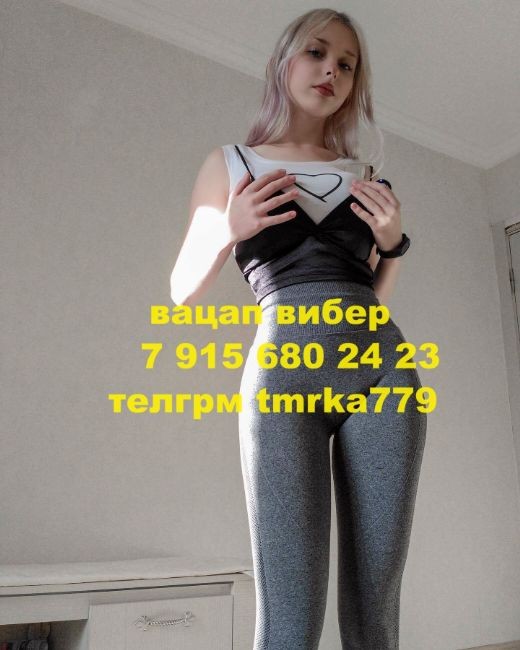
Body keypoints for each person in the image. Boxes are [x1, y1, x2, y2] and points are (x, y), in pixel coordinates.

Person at [170, 8, 427, 650]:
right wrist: (230, 231)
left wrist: (393, 247)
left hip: (383, 375)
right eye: (316, 52)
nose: (330, 71)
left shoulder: (365, 177)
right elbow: (181, 291)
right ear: (282, 61)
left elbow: (369, 300)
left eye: (346, 64)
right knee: (288, 615)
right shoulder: (230, 163)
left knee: (376, 608)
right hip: (284, 381)